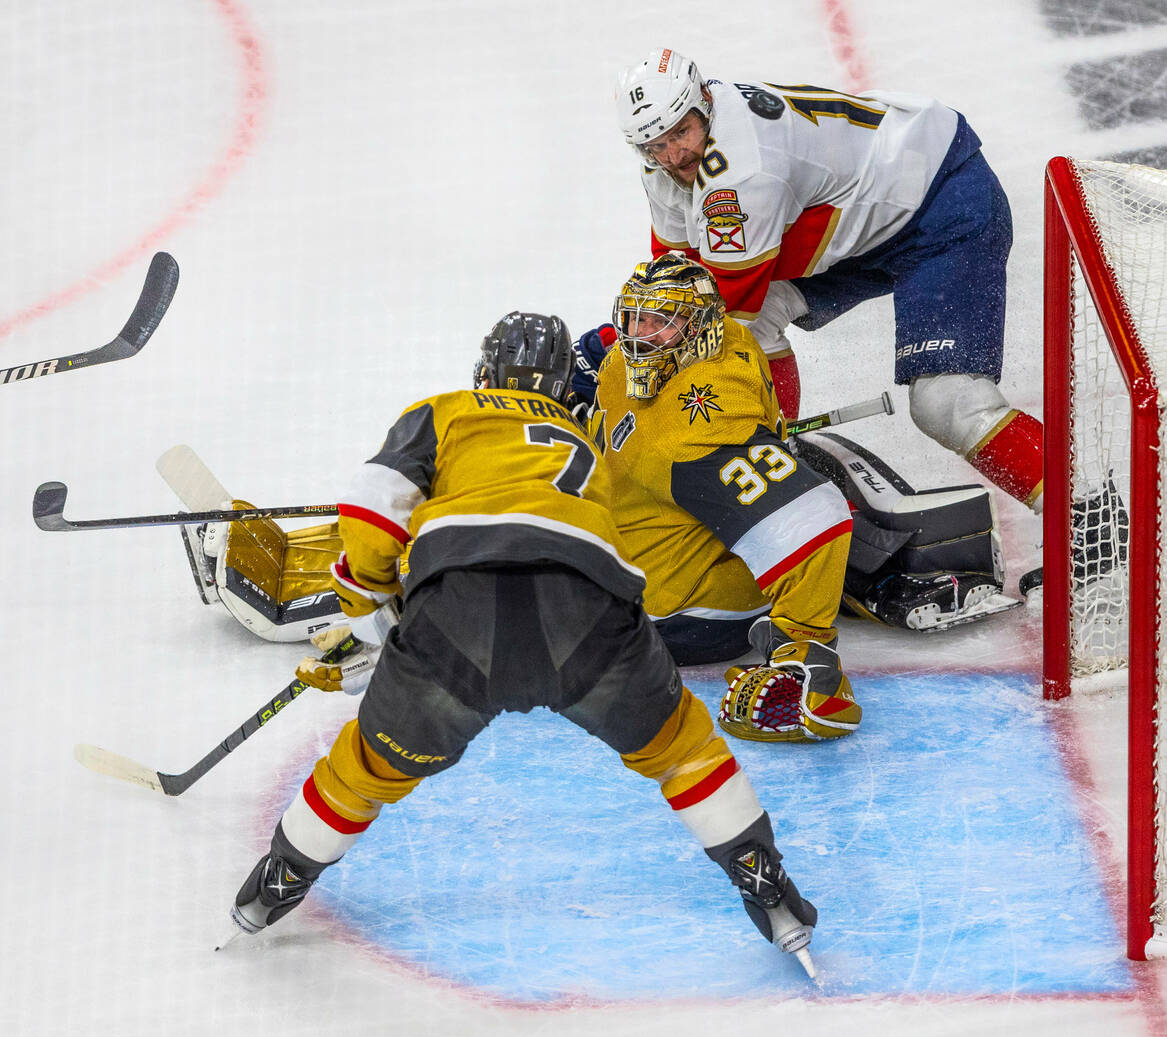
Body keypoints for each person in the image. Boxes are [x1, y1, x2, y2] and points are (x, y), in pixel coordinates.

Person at [227, 311, 820, 977]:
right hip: (592, 617)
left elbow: (368, 510)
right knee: (682, 749)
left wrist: (371, 613)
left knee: (366, 765)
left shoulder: (443, 411)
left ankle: (281, 876)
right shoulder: (583, 441)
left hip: (458, 616)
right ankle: (760, 874)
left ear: (484, 368)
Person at [612, 48, 1044, 520]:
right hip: (868, 211)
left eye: (682, 132)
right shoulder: (665, 162)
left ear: (703, 105)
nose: (675, 154)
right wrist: (628, 343)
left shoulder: (743, 173)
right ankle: (772, 458)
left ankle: (1089, 514)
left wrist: (630, 372)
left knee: (946, 402)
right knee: (745, 325)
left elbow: (720, 313)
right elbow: (678, 277)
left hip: (941, 205)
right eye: (656, 145)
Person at [581, 252, 864, 744]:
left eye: (660, 323)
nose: (639, 336)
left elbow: (816, 517)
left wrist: (804, 640)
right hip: (671, 552)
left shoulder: (696, 431)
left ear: (696, 327)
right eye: (634, 317)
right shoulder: (725, 335)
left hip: (681, 612)